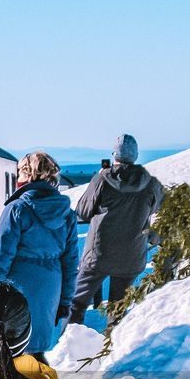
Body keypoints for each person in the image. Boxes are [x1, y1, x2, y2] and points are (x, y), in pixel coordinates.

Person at [0, 150, 79, 359]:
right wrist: (65, 301)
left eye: (19, 173)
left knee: (13, 350)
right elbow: (71, 264)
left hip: (18, 286)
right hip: (50, 288)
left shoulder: (17, 209)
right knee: (36, 351)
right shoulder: (67, 214)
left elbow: (1, 257)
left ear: (28, 175)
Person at [69, 134, 165, 324]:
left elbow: (83, 211)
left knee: (77, 304)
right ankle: (113, 347)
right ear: (136, 156)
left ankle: (72, 346)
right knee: (118, 309)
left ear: (114, 155)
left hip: (98, 255)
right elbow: (159, 209)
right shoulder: (151, 184)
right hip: (131, 257)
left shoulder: (102, 179)